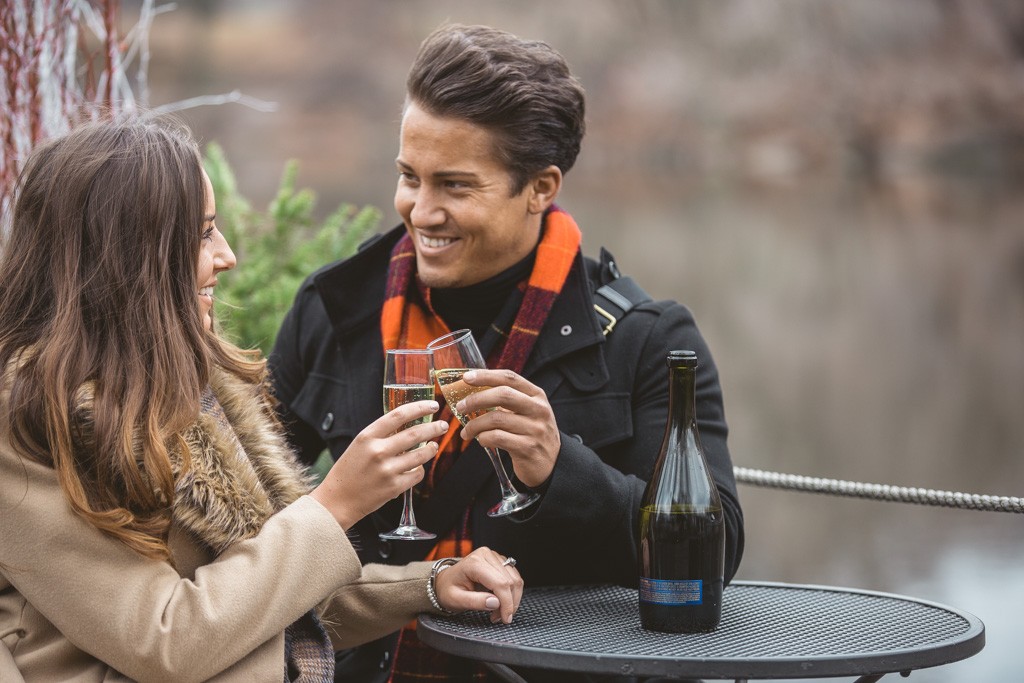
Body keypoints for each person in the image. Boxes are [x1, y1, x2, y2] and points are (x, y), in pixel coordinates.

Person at [269, 23, 744, 683]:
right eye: (410, 176)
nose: (420, 210)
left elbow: (716, 556)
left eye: (455, 186)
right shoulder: (331, 310)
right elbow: (243, 525)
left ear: (541, 188)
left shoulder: (648, 340)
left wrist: (559, 470)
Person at [0, 119, 522, 683]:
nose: (225, 256)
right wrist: (334, 505)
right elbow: (167, 639)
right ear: (129, 255)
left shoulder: (192, 389)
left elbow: (263, 593)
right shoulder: (28, 422)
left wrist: (428, 585)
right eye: (202, 234)